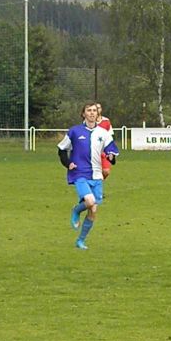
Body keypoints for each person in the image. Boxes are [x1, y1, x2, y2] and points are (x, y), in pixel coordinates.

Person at [57, 101, 119, 250]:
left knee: (93, 210)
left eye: (94, 111)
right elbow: (61, 149)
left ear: (98, 115)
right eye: (88, 110)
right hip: (79, 173)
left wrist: (111, 158)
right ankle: (76, 210)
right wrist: (68, 164)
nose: (91, 113)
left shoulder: (103, 134)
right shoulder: (74, 131)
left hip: (96, 175)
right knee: (90, 201)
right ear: (83, 114)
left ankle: (80, 241)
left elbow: (112, 153)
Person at [95, 102, 114, 180]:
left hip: (104, 151)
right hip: (93, 150)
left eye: (98, 108)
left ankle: (98, 183)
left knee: (106, 171)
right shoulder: (89, 122)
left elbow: (110, 136)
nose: (97, 110)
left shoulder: (106, 121)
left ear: (101, 109)